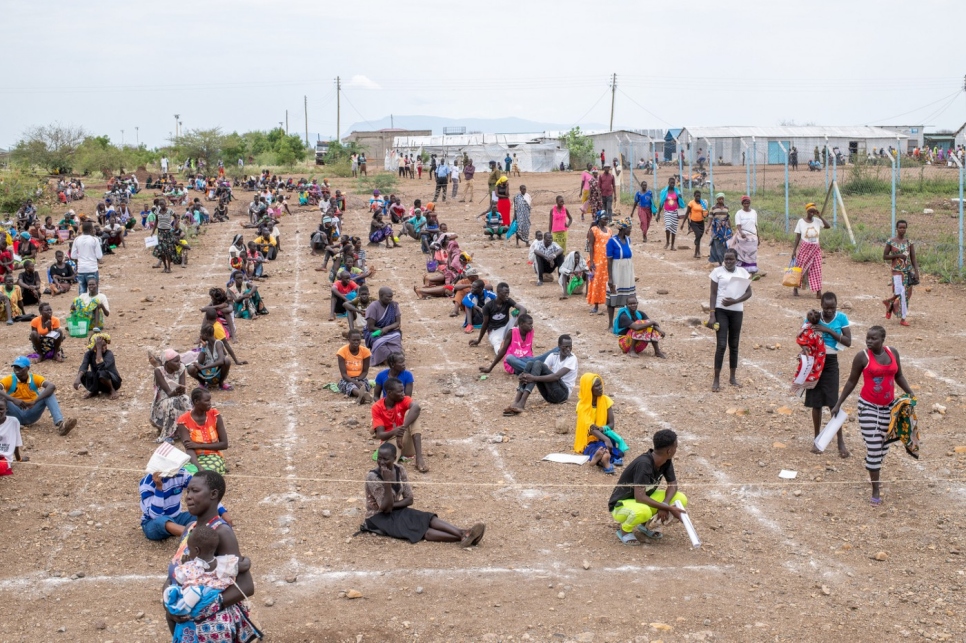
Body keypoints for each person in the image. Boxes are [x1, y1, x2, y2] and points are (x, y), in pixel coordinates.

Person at [164, 470, 260, 640]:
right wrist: (169, 605)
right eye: (188, 491)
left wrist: (203, 608)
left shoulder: (221, 532)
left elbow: (246, 586)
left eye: (195, 491)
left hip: (209, 624)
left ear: (213, 494)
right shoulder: (190, 528)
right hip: (185, 617)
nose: (188, 496)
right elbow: (176, 571)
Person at [831, 326, 915, 505]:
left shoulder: (893, 353)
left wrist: (910, 393)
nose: (869, 341)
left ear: (882, 339)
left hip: (889, 407)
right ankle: (876, 489)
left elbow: (899, 375)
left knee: (884, 446)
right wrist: (839, 403)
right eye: (867, 338)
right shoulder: (862, 357)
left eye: (873, 339)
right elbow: (852, 381)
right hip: (868, 407)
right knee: (875, 446)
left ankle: (872, 463)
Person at [363, 442, 484, 545]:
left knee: (427, 518)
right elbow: (384, 509)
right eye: (379, 458)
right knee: (420, 530)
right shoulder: (373, 477)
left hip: (395, 510)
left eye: (386, 459)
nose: (381, 462)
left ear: (394, 458)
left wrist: (393, 505)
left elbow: (409, 499)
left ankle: (463, 532)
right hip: (377, 517)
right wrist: (388, 483)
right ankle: (463, 537)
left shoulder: (400, 469)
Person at [164, 523, 251, 643]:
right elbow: (245, 565)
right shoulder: (225, 564)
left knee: (170, 616)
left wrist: (185, 564)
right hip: (222, 618)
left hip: (197, 615)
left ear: (196, 550)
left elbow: (177, 583)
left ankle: (177, 638)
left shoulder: (188, 568)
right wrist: (247, 559)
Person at [609, 429, 688, 544]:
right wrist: (668, 508)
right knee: (644, 511)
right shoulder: (644, 464)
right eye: (676, 446)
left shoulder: (666, 460)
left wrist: (665, 504)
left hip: (641, 499)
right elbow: (640, 497)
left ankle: (644, 525)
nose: (676, 449)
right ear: (669, 450)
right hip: (621, 505)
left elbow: (673, 485)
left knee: (680, 498)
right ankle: (624, 531)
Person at [709, 249, 753, 392]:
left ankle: (732, 377)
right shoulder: (717, 272)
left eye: (731, 259)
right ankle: (716, 379)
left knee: (734, 344)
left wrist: (735, 301)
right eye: (726, 259)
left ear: (736, 260)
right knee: (721, 345)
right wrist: (712, 314)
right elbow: (713, 293)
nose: (728, 262)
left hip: (737, 311)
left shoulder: (743, 273)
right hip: (721, 310)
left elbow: (748, 293)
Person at [503, 334, 577, 416]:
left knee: (538, 364)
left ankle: (522, 403)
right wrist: (524, 375)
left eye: (570, 346)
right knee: (531, 364)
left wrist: (533, 378)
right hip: (549, 395)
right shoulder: (554, 355)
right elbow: (539, 369)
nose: (568, 349)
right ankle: (516, 402)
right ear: (559, 346)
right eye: (565, 347)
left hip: (563, 394)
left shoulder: (572, 358)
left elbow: (556, 376)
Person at [1, 356, 76, 435]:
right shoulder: (9, 379)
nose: (17, 370)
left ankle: (61, 424)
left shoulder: (35, 378)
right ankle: (4, 424)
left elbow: (51, 386)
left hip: (31, 412)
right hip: (14, 413)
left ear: (28, 368)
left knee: (48, 393)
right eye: (15, 367)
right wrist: (13, 399)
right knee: (2, 397)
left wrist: (34, 401)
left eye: (20, 368)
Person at [371, 377, 428, 473]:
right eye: (400, 392)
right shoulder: (377, 407)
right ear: (389, 393)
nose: (403, 394)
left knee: (412, 415)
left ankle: (419, 458)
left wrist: (401, 430)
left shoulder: (404, 399)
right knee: (389, 466)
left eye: (403, 390)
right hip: (392, 441)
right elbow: (380, 435)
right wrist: (395, 432)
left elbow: (416, 407)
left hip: (404, 438)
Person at [574, 374, 625, 474]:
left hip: (604, 435)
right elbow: (591, 428)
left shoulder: (605, 400)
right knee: (598, 447)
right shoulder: (582, 406)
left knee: (604, 446)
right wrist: (606, 439)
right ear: (589, 389)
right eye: (597, 386)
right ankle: (605, 459)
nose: (601, 388)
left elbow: (611, 424)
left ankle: (600, 458)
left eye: (600, 384)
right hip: (588, 439)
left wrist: (602, 430)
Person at [176, 388, 229, 474]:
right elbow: (189, 449)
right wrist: (199, 467)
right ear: (196, 401)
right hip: (193, 458)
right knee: (183, 474)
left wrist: (197, 445)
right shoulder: (183, 420)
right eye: (206, 401)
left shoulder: (214, 415)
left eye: (209, 400)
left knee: (205, 475)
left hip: (214, 456)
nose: (210, 403)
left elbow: (224, 444)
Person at [470, 282, 527, 354]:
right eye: (505, 293)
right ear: (498, 292)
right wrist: (478, 340)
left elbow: (523, 309)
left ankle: (517, 340)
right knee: (497, 343)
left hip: (506, 328)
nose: (507, 295)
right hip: (494, 331)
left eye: (508, 293)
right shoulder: (488, 306)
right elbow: (485, 324)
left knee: (520, 315)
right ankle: (504, 350)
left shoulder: (508, 301)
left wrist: (515, 326)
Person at [882, 220, 920, 327]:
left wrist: (916, 271)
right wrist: (897, 255)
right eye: (900, 228)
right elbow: (885, 256)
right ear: (897, 228)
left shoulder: (909, 242)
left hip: (907, 271)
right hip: (896, 272)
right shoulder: (891, 242)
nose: (902, 230)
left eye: (904, 228)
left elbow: (913, 258)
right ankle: (890, 304)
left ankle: (903, 318)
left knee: (906, 294)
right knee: (899, 293)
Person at [151, 349, 192, 442]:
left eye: (179, 360)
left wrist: (181, 390)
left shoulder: (181, 367)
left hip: (176, 396)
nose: (179, 363)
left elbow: (182, 388)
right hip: (162, 401)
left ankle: (189, 429)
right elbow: (168, 393)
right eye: (176, 361)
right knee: (171, 402)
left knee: (186, 399)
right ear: (167, 363)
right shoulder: (159, 371)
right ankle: (168, 434)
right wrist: (177, 391)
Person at [792, 203, 831, 298]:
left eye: (813, 211)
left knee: (817, 269)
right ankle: (795, 288)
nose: (812, 213)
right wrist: (794, 250)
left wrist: (820, 216)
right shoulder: (801, 222)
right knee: (800, 268)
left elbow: (828, 226)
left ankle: (818, 292)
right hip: (805, 248)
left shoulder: (817, 221)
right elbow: (797, 237)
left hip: (815, 249)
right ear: (807, 211)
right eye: (810, 211)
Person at [187, 324, 238, 391]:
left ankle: (221, 383)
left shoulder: (218, 343)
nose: (200, 336)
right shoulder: (206, 345)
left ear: (205, 335)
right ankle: (202, 383)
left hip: (217, 372)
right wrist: (203, 348)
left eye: (201, 334)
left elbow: (221, 361)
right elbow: (200, 361)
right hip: (207, 373)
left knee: (226, 360)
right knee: (190, 368)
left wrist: (203, 367)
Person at [72, 332, 121, 399]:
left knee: (101, 372)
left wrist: (99, 348)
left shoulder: (109, 354)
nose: (103, 348)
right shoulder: (89, 354)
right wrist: (78, 378)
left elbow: (100, 365)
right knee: (83, 375)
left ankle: (112, 390)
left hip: (113, 381)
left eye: (104, 345)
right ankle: (95, 391)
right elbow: (84, 366)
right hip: (98, 380)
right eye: (101, 346)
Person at [605, 218, 636, 326]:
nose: (630, 230)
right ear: (623, 229)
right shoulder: (612, 241)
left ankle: (628, 322)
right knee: (613, 296)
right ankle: (610, 323)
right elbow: (609, 261)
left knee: (629, 297)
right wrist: (610, 278)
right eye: (629, 228)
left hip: (627, 270)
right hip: (617, 270)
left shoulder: (628, 240)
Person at [364, 287, 403, 366]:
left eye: (391, 297)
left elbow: (397, 322)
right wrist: (381, 331)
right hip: (375, 331)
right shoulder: (373, 307)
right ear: (381, 296)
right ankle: (386, 358)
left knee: (397, 336)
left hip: (390, 331)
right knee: (379, 343)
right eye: (388, 297)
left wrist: (387, 328)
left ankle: (391, 356)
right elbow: (370, 327)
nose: (390, 299)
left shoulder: (394, 305)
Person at [337, 329, 373, 404]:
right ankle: (361, 394)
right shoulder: (342, 352)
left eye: (358, 340)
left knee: (363, 385)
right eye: (353, 340)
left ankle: (361, 395)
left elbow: (365, 371)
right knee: (351, 386)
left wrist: (358, 380)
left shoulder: (365, 351)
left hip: (360, 377)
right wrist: (354, 381)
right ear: (348, 340)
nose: (356, 342)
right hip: (347, 378)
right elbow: (344, 374)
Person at [586, 212, 612, 315]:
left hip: (607, 260)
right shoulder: (594, 230)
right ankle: (596, 305)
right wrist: (592, 261)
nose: (606, 221)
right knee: (597, 281)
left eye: (607, 219)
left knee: (607, 281)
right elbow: (591, 246)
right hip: (597, 259)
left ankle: (608, 303)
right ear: (599, 219)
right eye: (604, 219)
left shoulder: (609, 230)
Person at [69, 221, 103, 293]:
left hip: (81, 269)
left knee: (82, 292)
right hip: (92, 269)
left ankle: (82, 304)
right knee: (94, 291)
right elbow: (99, 256)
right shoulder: (94, 240)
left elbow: (73, 256)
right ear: (91, 229)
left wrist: (81, 256)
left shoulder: (77, 239)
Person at [733, 195, 761, 277]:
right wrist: (741, 233)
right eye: (744, 202)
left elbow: (756, 225)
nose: (746, 204)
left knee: (752, 255)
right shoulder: (739, 213)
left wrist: (758, 237)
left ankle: (752, 272)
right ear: (742, 203)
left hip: (752, 237)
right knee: (742, 255)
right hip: (743, 237)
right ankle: (742, 272)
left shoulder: (754, 212)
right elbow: (738, 225)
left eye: (748, 202)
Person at [657, 177, 685, 251]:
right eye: (671, 183)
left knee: (674, 229)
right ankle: (667, 242)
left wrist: (681, 198)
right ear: (668, 183)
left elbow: (681, 203)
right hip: (667, 212)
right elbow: (661, 203)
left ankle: (672, 245)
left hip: (675, 212)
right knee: (668, 226)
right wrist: (658, 214)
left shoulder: (677, 192)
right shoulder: (664, 192)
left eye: (673, 183)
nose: (672, 184)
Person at [0, 399, 26, 475]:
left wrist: (19, 458)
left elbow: (15, 442)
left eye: (1, 409)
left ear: (6, 409)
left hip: (3, 460)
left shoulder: (13, 422)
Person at [682, 190, 709, 259]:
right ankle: (697, 251)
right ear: (694, 196)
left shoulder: (702, 203)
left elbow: (706, 213)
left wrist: (706, 214)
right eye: (697, 196)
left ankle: (697, 252)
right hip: (694, 222)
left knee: (699, 237)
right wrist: (683, 223)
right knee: (698, 234)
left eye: (699, 196)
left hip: (701, 222)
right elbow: (687, 213)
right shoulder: (691, 203)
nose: (698, 197)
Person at [707, 193, 732, 266]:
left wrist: (730, 228)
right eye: (719, 199)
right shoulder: (713, 208)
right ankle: (720, 261)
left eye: (722, 199)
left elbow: (728, 218)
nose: (721, 200)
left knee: (724, 244)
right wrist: (707, 227)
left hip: (724, 229)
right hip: (716, 229)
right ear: (717, 200)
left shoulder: (726, 208)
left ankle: (720, 260)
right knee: (716, 243)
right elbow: (710, 218)